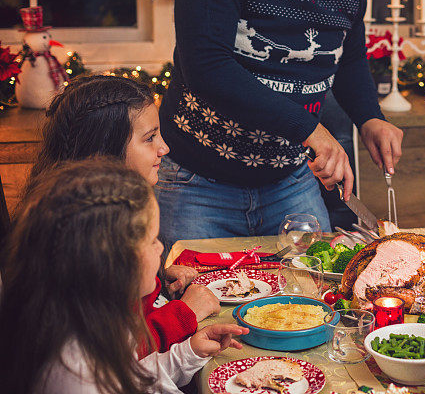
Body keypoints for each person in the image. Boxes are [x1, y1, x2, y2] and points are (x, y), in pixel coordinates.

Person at [156, 0, 403, 250]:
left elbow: (348, 58)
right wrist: (308, 128)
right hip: (197, 184)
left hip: (291, 181)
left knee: (314, 288)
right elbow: (207, 66)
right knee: (197, 293)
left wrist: (369, 117)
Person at [0, 159, 249, 393]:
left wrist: (188, 353)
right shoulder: (77, 373)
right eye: (152, 240)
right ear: (111, 262)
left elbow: (132, 378)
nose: (161, 249)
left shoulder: (99, 319)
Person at [29, 75, 220, 353]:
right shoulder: (81, 243)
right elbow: (116, 353)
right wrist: (184, 313)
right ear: (105, 150)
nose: (164, 148)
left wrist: (156, 281)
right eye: (150, 138)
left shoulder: (97, 213)